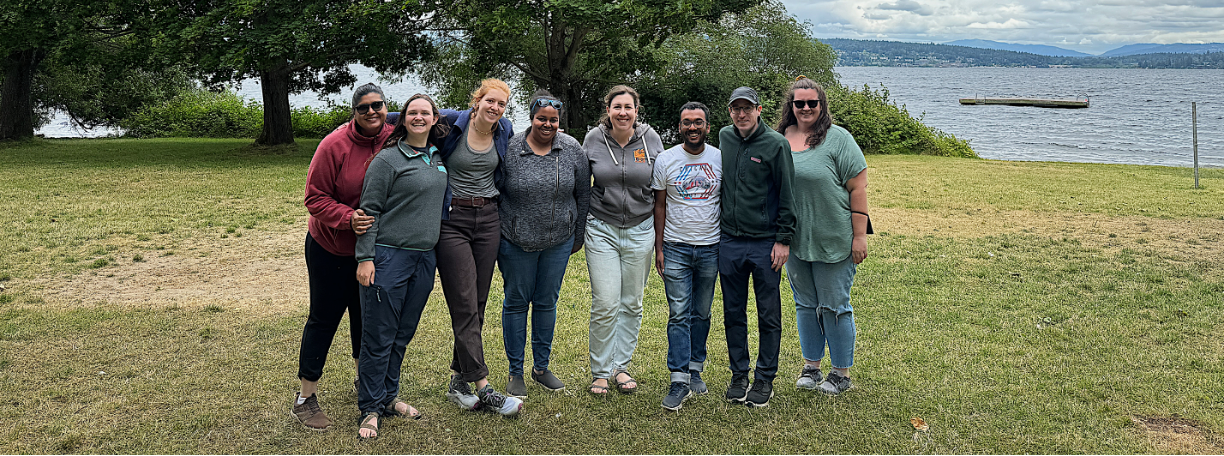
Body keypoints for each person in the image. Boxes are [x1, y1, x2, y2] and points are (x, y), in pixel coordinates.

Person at [352, 93, 451, 439]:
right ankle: (370, 407)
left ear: (436, 118)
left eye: (426, 113)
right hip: (388, 257)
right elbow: (369, 210)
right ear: (402, 119)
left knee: (402, 334)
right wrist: (365, 257)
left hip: (424, 258)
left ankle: (389, 397)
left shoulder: (437, 157)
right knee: (378, 335)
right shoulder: (388, 160)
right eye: (413, 112)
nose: (419, 117)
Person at [295, 83, 392, 432]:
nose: (371, 112)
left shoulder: (394, 139)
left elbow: (441, 123)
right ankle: (305, 398)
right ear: (354, 111)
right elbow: (314, 198)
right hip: (331, 248)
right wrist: (347, 217)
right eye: (363, 107)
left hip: (372, 252)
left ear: (386, 108)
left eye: (377, 106)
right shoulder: (333, 145)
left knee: (365, 320)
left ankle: (363, 386)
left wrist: (504, 127)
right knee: (324, 319)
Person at [777, 77, 869, 396]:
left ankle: (841, 372)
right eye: (799, 103)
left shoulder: (838, 139)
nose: (805, 108)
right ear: (791, 106)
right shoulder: (779, 139)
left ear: (822, 105)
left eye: (811, 103)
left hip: (834, 238)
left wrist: (860, 236)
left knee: (834, 306)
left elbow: (858, 188)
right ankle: (812, 367)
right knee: (805, 304)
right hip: (795, 240)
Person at [435, 78, 522, 416]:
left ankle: (458, 382)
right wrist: (371, 115)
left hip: (488, 218)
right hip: (452, 219)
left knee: (479, 300)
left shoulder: (505, 130)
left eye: (501, 104)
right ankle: (483, 387)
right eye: (490, 101)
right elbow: (408, 114)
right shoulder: (450, 122)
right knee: (464, 301)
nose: (495, 108)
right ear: (477, 101)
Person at [498, 90, 591, 398]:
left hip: (558, 241)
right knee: (515, 302)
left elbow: (583, 194)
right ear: (532, 118)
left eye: (553, 119)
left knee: (546, 302)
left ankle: (541, 368)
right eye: (542, 118)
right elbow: (496, 189)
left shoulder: (571, 149)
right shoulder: (510, 149)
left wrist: (576, 236)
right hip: (515, 241)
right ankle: (515, 371)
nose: (547, 124)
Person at [582, 85, 664, 395]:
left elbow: (660, 189)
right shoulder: (593, 139)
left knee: (632, 303)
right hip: (601, 227)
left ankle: (620, 367)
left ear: (636, 110)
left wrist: (660, 239)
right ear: (608, 110)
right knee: (605, 302)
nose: (623, 112)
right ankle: (600, 371)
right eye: (617, 106)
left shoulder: (650, 138)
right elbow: (580, 184)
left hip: (641, 229)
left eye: (628, 107)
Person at [718, 86, 796, 408]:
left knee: (768, 313)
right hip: (730, 242)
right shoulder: (724, 137)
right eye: (735, 108)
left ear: (759, 110)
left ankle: (764, 379)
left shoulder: (776, 145)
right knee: (733, 313)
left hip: (766, 244)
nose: (741, 114)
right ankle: (739, 375)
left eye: (747, 108)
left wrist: (783, 240)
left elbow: (788, 195)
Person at [651, 102, 721, 411]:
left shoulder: (720, 158)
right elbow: (660, 206)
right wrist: (659, 247)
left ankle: (696, 369)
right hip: (676, 247)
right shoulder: (666, 159)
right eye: (686, 123)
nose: (692, 127)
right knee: (678, 313)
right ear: (679, 127)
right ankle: (678, 379)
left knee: (702, 313)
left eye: (698, 122)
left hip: (711, 247)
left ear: (708, 126)